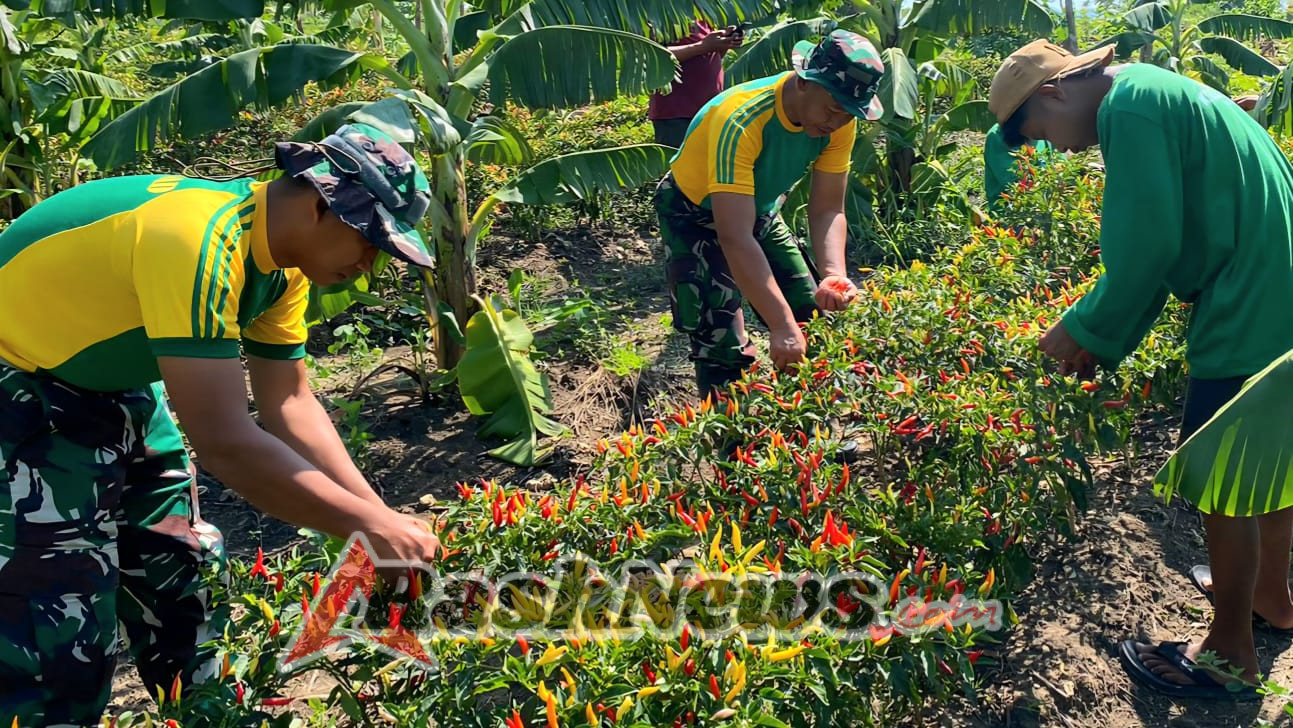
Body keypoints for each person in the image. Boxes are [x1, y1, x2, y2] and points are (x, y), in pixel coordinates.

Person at [0, 122, 444, 725]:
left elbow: (288, 405)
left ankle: (207, 716)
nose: (367, 266)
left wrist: (379, 520)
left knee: (180, 570)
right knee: (57, 625)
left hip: (115, 385)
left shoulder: (281, 271)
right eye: (370, 242)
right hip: (22, 392)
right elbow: (225, 443)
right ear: (321, 204)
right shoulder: (198, 240)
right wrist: (368, 530)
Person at [989, 39, 1293, 700]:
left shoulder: (1129, 107)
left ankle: (1229, 653)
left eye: (1037, 133)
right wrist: (1098, 332)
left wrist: (1076, 332)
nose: (1057, 150)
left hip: (1250, 299)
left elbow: (1146, 245)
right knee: (1267, 460)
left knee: (1219, 473)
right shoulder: (1158, 89)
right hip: (1274, 287)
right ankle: (1272, 596)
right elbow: (1169, 240)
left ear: (1052, 92)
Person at [655, 29, 885, 401]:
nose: (837, 122)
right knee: (722, 344)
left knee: (815, 316)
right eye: (832, 109)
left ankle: (810, 436)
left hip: (759, 209)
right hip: (694, 214)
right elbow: (734, 235)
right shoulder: (742, 119)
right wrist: (780, 326)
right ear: (805, 82)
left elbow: (827, 208)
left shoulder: (839, 121)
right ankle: (735, 450)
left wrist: (834, 275)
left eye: (847, 114)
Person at [649, 21, 744, 148]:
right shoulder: (662, 14)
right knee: (681, 164)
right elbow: (652, 55)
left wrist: (724, 43)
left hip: (709, 111)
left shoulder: (703, 17)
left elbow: (711, 56)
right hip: (677, 114)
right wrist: (702, 46)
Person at [983, 122, 1054, 205]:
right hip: (1010, 213)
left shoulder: (1046, 129)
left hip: (1046, 208)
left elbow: (1062, 168)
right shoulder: (998, 135)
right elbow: (1018, 187)